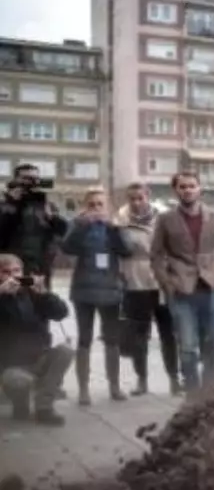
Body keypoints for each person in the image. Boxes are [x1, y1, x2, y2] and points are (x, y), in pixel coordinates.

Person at [150, 172, 214, 393]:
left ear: (199, 189)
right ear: (176, 190)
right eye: (182, 186)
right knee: (187, 347)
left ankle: (208, 385)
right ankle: (194, 392)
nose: (187, 190)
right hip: (182, 289)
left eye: (192, 186)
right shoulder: (165, 219)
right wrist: (167, 283)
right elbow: (156, 254)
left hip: (212, 287)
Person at [61, 187, 133, 405]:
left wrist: (116, 230)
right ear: (85, 207)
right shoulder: (78, 225)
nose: (96, 209)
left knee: (111, 339)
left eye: (100, 204)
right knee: (84, 339)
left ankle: (114, 386)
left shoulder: (115, 226)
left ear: (107, 206)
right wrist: (81, 227)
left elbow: (127, 250)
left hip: (110, 290)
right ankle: (83, 389)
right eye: (91, 204)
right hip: (83, 290)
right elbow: (67, 248)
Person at [116, 182, 182, 396]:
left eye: (140, 198)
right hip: (135, 283)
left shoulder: (165, 217)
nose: (136, 203)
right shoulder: (120, 221)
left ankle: (174, 378)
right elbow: (116, 251)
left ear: (148, 196)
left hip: (162, 282)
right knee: (138, 336)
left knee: (169, 334)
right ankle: (141, 380)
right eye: (132, 199)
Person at [0, 253, 72, 425]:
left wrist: (45, 294)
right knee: (17, 380)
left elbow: (61, 313)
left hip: (39, 355)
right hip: (10, 363)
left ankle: (44, 408)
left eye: (17, 271)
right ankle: (20, 403)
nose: (13, 276)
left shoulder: (32, 293)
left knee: (65, 351)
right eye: (6, 272)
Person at [0, 163, 68, 291]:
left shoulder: (45, 205)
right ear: (16, 180)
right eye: (27, 179)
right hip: (11, 269)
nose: (32, 182)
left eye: (35, 179)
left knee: (41, 304)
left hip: (40, 267)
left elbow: (62, 231)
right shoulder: (5, 206)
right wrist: (14, 204)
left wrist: (52, 218)